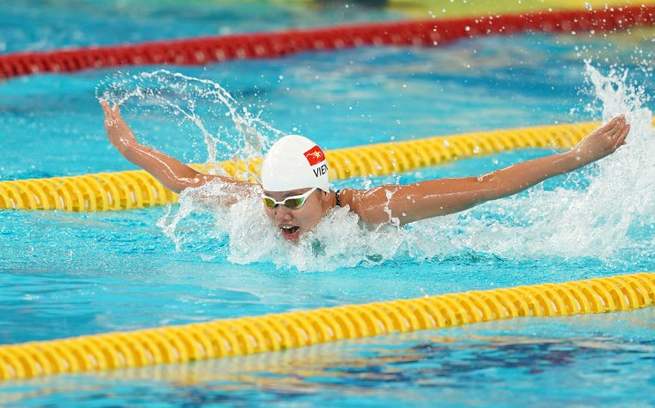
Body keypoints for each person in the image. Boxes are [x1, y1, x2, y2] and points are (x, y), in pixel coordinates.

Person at [100, 100, 630, 243]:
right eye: (271, 199)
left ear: (322, 193)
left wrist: (576, 156)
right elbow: (185, 179)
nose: (279, 214)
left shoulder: (372, 211)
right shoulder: (256, 210)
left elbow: (483, 187)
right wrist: (131, 145)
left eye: (291, 201)